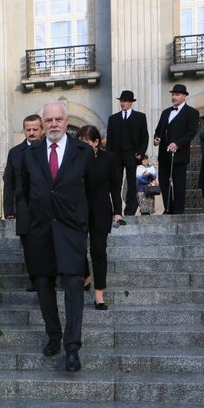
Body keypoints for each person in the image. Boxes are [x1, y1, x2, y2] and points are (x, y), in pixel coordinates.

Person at [20, 101, 91, 372]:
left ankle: (72, 347)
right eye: (48, 120)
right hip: (40, 231)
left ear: (66, 120)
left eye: (58, 119)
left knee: (73, 287)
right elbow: (26, 192)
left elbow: (93, 193)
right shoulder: (31, 154)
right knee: (43, 286)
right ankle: (54, 335)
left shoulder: (83, 152)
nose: (53, 124)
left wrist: (88, 228)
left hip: (71, 230)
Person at [77, 125, 122, 310]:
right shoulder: (76, 159)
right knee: (77, 248)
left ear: (96, 142)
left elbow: (115, 188)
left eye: (86, 142)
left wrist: (118, 211)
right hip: (79, 209)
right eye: (80, 143)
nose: (82, 146)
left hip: (101, 210)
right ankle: (86, 275)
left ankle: (99, 294)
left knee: (98, 251)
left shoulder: (109, 159)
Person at [4, 114, 44, 290]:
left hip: (46, 206)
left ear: (42, 130)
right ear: (24, 131)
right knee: (28, 244)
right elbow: (9, 181)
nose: (32, 133)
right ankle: (34, 277)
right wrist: (8, 208)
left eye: (35, 129)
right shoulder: (15, 153)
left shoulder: (49, 150)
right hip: (23, 206)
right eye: (28, 129)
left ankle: (48, 276)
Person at [153, 84, 200, 215]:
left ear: (184, 96)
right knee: (163, 181)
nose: (174, 97)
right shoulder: (166, 112)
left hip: (179, 154)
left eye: (177, 95)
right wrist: (157, 139)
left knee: (179, 182)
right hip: (164, 154)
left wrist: (177, 144)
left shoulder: (192, 112)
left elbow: (191, 132)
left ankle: (179, 210)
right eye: (173, 94)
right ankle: (168, 208)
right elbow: (159, 131)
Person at [106, 90, 149, 216]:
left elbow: (144, 137)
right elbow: (110, 140)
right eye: (121, 101)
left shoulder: (140, 117)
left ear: (131, 102)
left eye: (125, 101)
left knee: (133, 185)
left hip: (133, 155)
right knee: (115, 184)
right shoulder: (113, 119)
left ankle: (130, 211)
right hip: (116, 156)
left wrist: (140, 152)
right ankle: (117, 211)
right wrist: (109, 157)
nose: (122, 103)